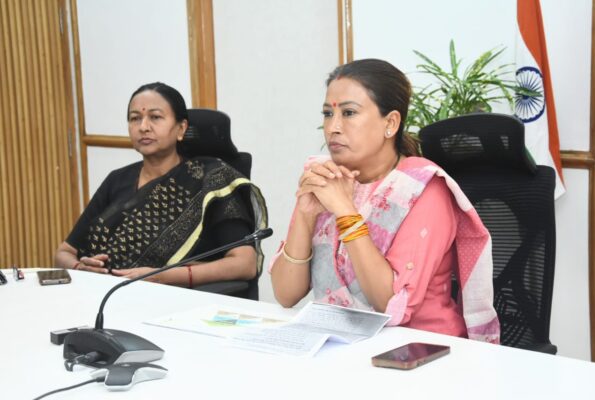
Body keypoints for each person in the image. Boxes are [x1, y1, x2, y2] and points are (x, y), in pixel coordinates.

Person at [270, 59, 499, 343]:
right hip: (344, 344)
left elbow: (390, 305)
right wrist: (305, 215)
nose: (333, 127)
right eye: (328, 114)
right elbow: (286, 294)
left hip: (422, 350)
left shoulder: (424, 190)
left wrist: (344, 210)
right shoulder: (326, 179)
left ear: (390, 123)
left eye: (349, 113)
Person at [54, 82, 267, 288]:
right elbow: (63, 253)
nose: (143, 127)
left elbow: (244, 263)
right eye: (135, 118)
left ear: (181, 128)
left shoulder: (211, 180)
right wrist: (80, 267)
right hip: (105, 292)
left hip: (174, 298)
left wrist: (165, 277)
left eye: (155, 117)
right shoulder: (117, 179)